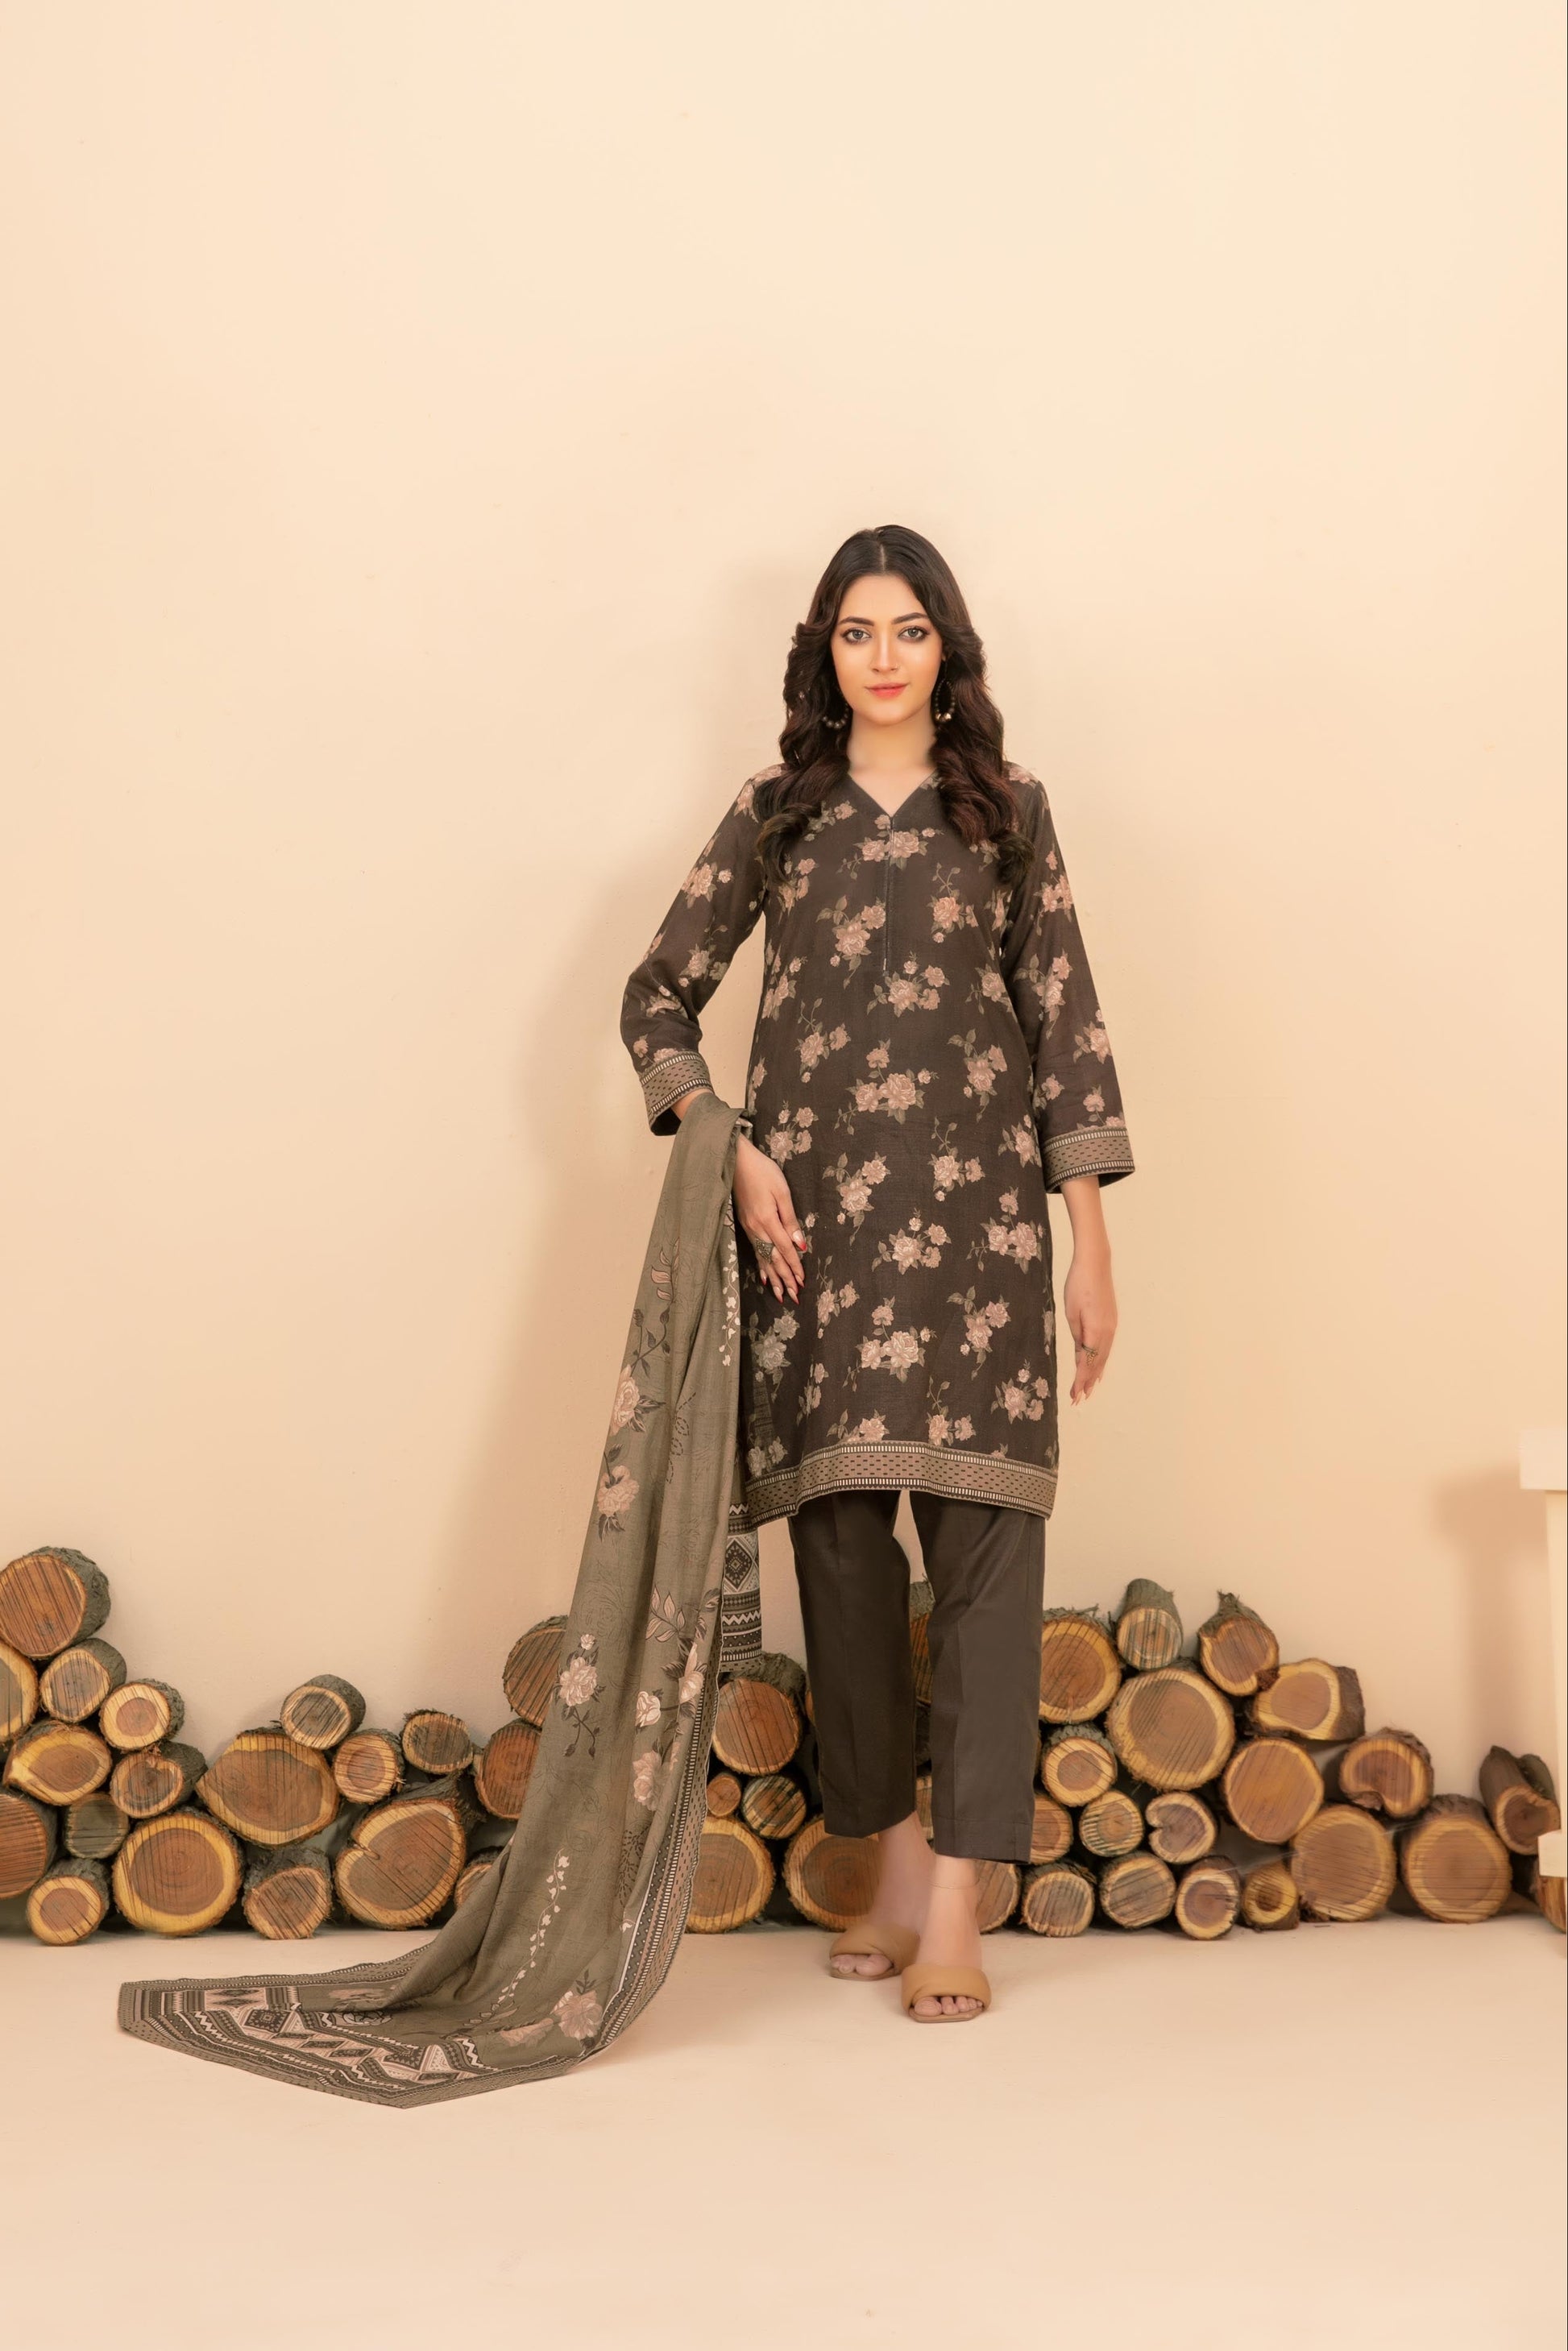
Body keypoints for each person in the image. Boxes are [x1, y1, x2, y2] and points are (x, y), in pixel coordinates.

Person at [620, 524, 1134, 2021]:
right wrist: (722, 1138)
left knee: (984, 1567)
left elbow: (1069, 1026)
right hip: (818, 1244)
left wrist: (1088, 1238)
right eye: (859, 632)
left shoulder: (1008, 812)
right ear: (823, 652)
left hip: (979, 1243)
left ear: (946, 650)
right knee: (841, 1560)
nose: (887, 656)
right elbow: (658, 992)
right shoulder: (778, 813)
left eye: (911, 630)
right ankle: (893, 1856)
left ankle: (960, 1908)